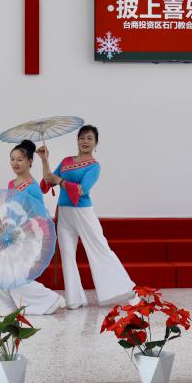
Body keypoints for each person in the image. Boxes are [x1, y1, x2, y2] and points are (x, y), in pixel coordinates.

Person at [38, 125, 135, 309]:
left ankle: (121, 289)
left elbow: (82, 190)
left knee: (99, 248)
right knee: (67, 254)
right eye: (82, 138)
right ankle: (75, 299)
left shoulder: (94, 166)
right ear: (77, 140)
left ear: (95, 143)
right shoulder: (66, 161)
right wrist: (44, 160)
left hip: (82, 212)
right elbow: (48, 181)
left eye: (89, 138)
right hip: (64, 213)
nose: (84, 141)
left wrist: (60, 181)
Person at [0, 140, 65, 315]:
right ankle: (1, 306)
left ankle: (49, 300)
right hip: (9, 234)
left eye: (20, 159)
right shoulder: (11, 184)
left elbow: (39, 218)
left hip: (26, 237)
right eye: (12, 159)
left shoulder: (33, 188)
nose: (15, 163)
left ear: (29, 161)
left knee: (14, 276)